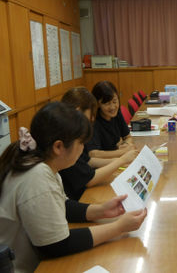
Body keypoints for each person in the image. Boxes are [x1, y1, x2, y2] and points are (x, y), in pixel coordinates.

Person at [0, 102, 147, 272]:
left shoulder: (42, 164)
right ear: (58, 147)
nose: (83, 149)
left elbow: (62, 205)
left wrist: (101, 210)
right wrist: (119, 227)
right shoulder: (37, 175)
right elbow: (57, 245)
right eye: (81, 143)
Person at [60, 87, 138, 200]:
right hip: (79, 198)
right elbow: (89, 179)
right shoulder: (67, 140)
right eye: (90, 116)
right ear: (77, 112)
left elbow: (88, 162)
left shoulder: (74, 135)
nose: (92, 119)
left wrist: (122, 160)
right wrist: (121, 160)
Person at [87, 81, 134, 159]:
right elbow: (93, 153)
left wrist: (126, 144)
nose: (112, 107)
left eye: (115, 101)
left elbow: (128, 137)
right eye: (107, 104)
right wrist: (122, 152)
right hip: (103, 165)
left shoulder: (117, 113)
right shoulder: (93, 121)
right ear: (97, 104)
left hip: (116, 159)